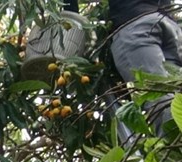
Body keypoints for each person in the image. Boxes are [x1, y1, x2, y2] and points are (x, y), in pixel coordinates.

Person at [66, 0, 181, 134]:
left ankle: (175, 151)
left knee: (158, 97)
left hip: (136, 27)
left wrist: (71, 19)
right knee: (177, 94)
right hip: (168, 25)